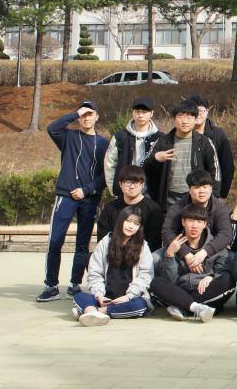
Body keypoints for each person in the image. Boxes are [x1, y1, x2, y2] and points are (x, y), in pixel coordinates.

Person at [38, 101, 109, 302]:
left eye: (90, 114)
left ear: (97, 117)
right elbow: (52, 128)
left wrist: (86, 190)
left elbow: (106, 175)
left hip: (89, 199)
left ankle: (75, 285)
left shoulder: (104, 144)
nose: (86, 118)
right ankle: (51, 285)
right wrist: (75, 113)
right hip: (65, 196)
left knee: (82, 244)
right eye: (83, 114)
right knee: (55, 241)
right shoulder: (69, 137)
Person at [149, 203, 234, 322]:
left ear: (205, 224)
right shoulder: (174, 245)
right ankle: (195, 307)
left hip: (204, 292)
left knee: (229, 279)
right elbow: (171, 280)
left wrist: (211, 277)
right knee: (156, 282)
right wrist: (170, 256)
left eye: (199, 221)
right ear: (183, 222)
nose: (194, 226)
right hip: (180, 290)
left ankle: (182, 306)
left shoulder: (215, 246)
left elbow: (223, 271)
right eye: (190, 221)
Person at [71, 206, 153, 326]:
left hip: (129, 298)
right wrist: (99, 295)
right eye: (128, 221)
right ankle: (94, 312)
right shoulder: (105, 243)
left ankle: (95, 312)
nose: (131, 226)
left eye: (136, 224)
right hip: (105, 297)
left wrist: (128, 296)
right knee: (79, 296)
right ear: (121, 221)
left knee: (139, 306)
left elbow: (146, 276)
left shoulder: (143, 246)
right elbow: (95, 273)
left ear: (139, 227)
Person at [145, 100, 219, 210]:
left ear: (195, 119)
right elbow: (145, 167)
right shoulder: (163, 141)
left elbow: (214, 172)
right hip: (169, 197)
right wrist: (155, 158)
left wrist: (214, 197)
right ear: (174, 119)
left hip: (195, 197)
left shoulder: (204, 142)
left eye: (189, 117)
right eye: (180, 117)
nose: (185, 121)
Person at [160, 170, 232, 274]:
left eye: (205, 187)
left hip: (210, 250)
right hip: (181, 250)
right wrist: (186, 254)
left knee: (232, 259)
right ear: (189, 190)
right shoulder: (178, 207)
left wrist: (204, 252)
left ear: (211, 188)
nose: (201, 191)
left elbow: (226, 234)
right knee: (155, 259)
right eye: (197, 187)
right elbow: (167, 231)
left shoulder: (220, 208)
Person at [96, 164, 163, 252]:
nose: (132, 186)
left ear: (143, 185)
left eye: (136, 182)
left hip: (142, 254)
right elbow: (103, 237)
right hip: (114, 253)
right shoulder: (110, 208)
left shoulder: (153, 209)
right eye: (128, 182)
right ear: (120, 184)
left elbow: (154, 243)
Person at [104, 96, 162, 196]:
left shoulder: (160, 138)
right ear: (132, 112)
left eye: (144, 112)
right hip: (125, 191)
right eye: (137, 111)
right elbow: (109, 164)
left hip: (151, 193)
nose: (140, 115)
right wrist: (114, 190)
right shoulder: (120, 137)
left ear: (152, 113)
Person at [187, 95, 235, 199]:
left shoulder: (219, 134)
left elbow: (227, 166)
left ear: (207, 111)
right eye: (194, 110)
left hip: (211, 193)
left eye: (201, 110)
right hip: (186, 192)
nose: (198, 114)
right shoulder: (181, 134)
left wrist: (222, 194)